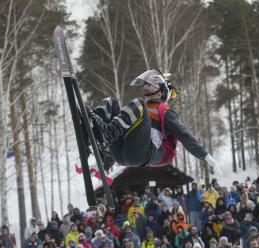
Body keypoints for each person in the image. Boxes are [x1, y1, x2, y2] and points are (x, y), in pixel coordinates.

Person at [87, 70, 221, 173]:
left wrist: (205, 155)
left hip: (143, 153)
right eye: (145, 83)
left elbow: (184, 135)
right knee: (111, 102)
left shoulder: (164, 111)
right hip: (122, 154)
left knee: (138, 104)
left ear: (160, 93)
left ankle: (106, 134)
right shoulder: (138, 111)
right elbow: (122, 129)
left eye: (151, 83)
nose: (146, 85)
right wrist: (104, 165)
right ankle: (91, 134)